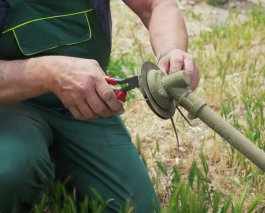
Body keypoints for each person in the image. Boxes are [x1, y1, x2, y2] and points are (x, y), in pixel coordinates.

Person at [0, 0, 199, 212]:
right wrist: (49, 73)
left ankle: (57, 169)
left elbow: (157, 5)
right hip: (10, 105)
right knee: (9, 172)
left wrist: (171, 52)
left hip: (88, 105)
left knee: (136, 208)